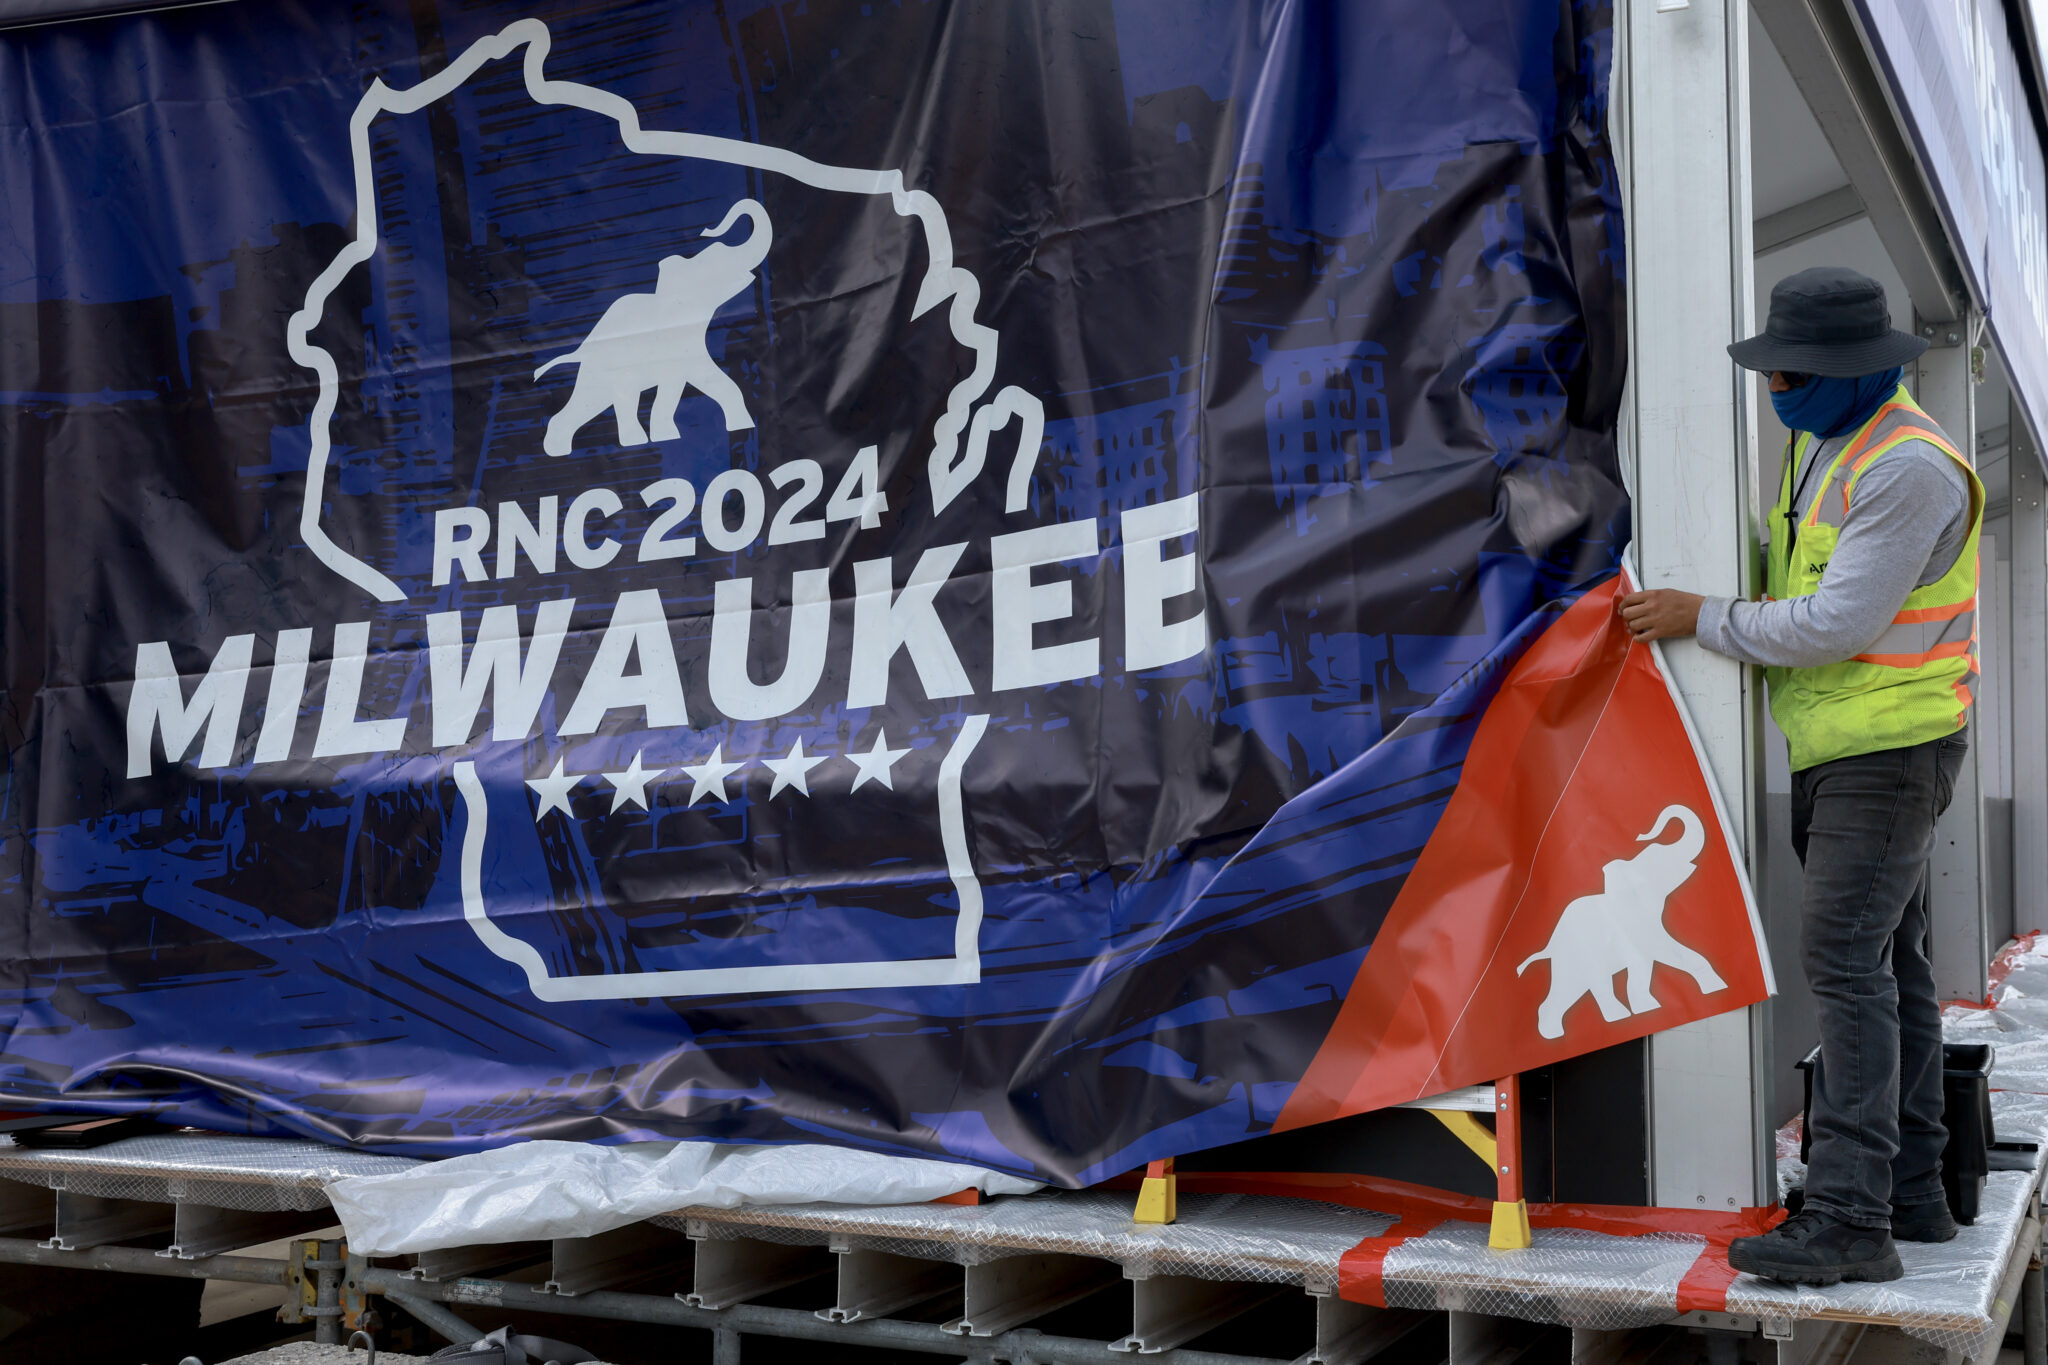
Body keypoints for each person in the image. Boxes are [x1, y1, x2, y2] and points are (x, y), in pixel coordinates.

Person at [1617, 266, 1980, 1285]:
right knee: (1887, 966)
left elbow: (1833, 623)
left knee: (1842, 968)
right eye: (1771, 368)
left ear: (1854, 367)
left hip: (1885, 750)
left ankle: (1849, 1222)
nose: (1774, 383)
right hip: (1839, 748)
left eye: (1790, 370)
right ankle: (1909, 1195)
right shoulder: (1821, 443)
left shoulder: (1904, 467)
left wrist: (1702, 618)